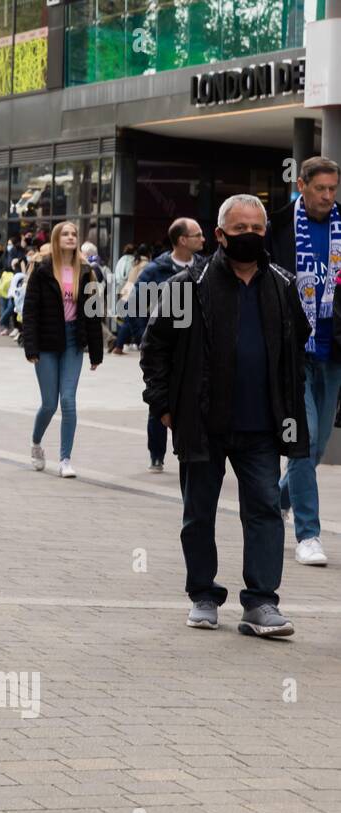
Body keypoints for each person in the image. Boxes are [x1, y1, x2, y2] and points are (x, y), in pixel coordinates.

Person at [141, 194, 309, 638]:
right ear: (219, 236)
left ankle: (261, 604)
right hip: (202, 422)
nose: (250, 237)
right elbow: (154, 346)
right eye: (240, 231)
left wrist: (292, 405)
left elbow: (297, 349)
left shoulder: (282, 284)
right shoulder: (186, 284)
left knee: (266, 510)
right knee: (199, 512)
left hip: (262, 426)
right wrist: (162, 404)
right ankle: (202, 594)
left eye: (257, 229)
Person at [269, 156, 341, 567]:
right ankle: (308, 534)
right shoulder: (276, 225)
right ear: (301, 185)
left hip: (333, 352)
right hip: (293, 350)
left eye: (333, 189)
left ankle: (277, 499)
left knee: (315, 450)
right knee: (306, 440)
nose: (328, 196)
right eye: (321, 189)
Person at [23, 221, 104, 478]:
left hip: (73, 341)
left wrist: (96, 351)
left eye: (74, 234)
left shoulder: (86, 271)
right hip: (46, 342)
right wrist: (31, 346)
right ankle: (36, 443)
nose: (70, 237)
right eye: (65, 234)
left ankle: (65, 459)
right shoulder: (43, 270)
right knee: (49, 403)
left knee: (68, 401)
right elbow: (30, 312)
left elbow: (93, 314)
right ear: (57, 240)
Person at [134, 220, 206, 472]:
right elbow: (137, 302)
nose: (203, 239)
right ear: (183, 240)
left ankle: (191, 449)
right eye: (197, 235)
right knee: (160, 397)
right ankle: (156, 453)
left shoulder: (205, 267)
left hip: (194, 346)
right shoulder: (156, 269)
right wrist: (144, 335)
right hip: (165, 345)